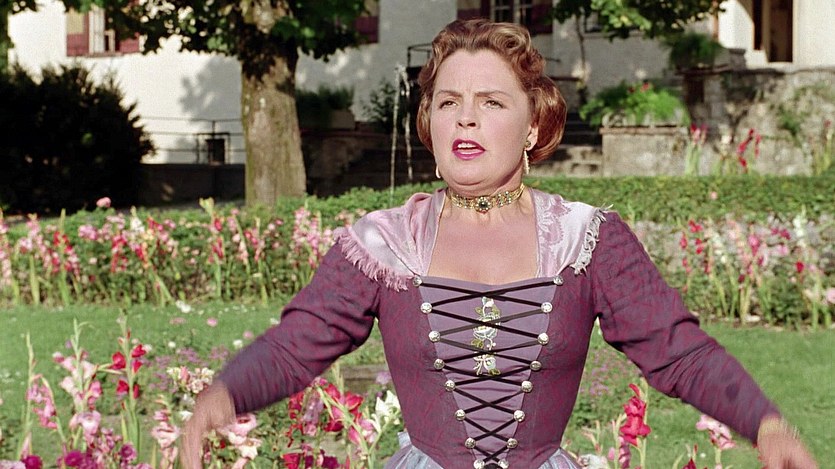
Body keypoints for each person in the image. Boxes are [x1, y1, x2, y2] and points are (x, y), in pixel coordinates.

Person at [181, 19, 818, 469]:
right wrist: (224, 394)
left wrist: (763, 423)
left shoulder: (587, 239)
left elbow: (678, 352)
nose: (466, 117)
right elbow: (296, 345)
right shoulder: (382, 243)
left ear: (533, 123)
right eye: (448, 102)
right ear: (428, 121)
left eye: (491, 102)